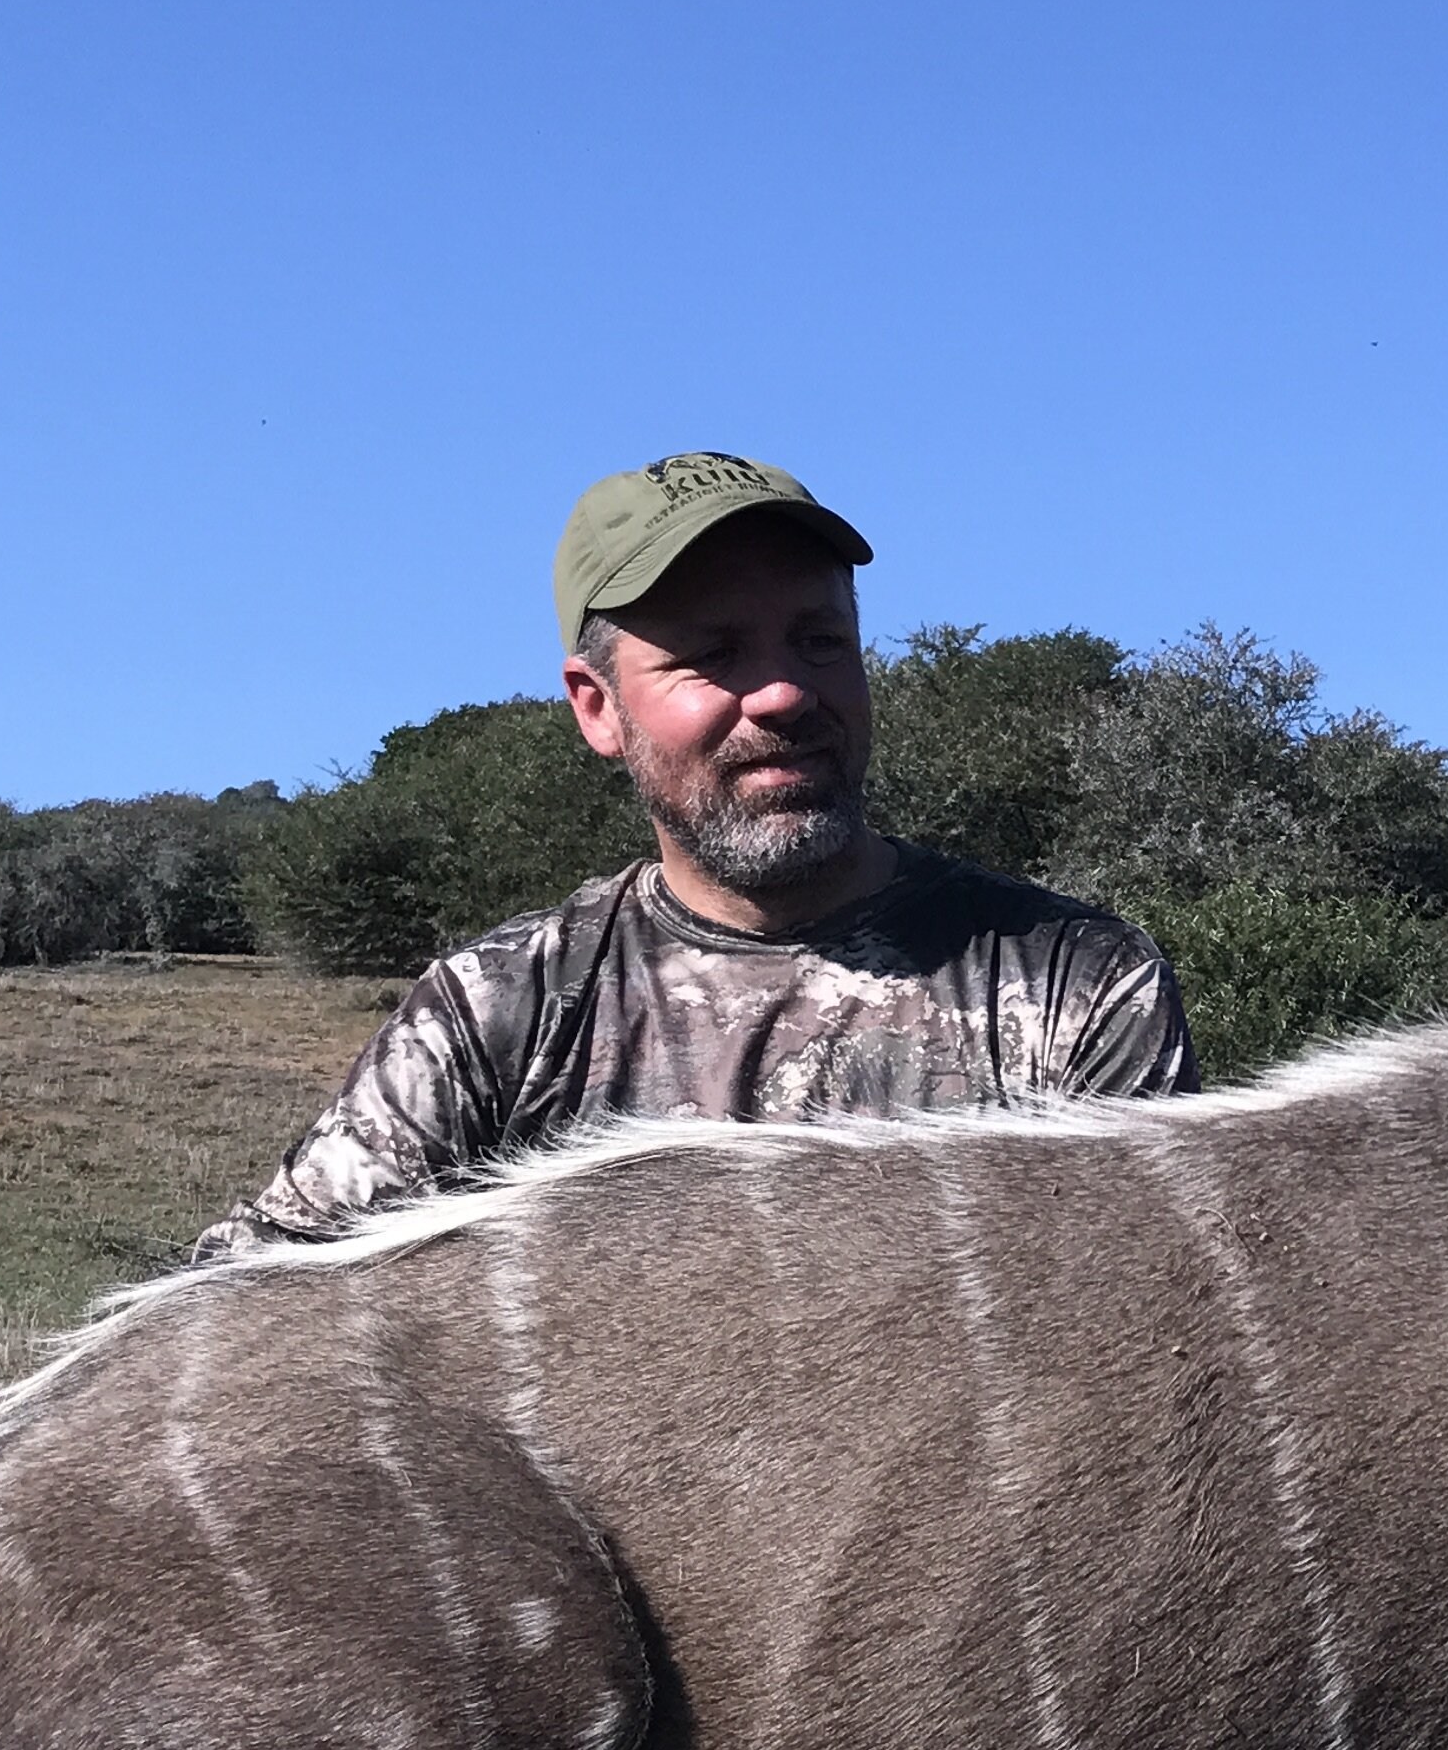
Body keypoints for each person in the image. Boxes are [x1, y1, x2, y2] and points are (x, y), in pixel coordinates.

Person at [196, 452, 1196, 1259]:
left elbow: (1131, 1342)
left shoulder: (1075, 981)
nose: (783, 694)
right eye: (711, 654)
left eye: (817, 641)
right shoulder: (500, 1012)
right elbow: (248, 1303)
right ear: (599, 708)